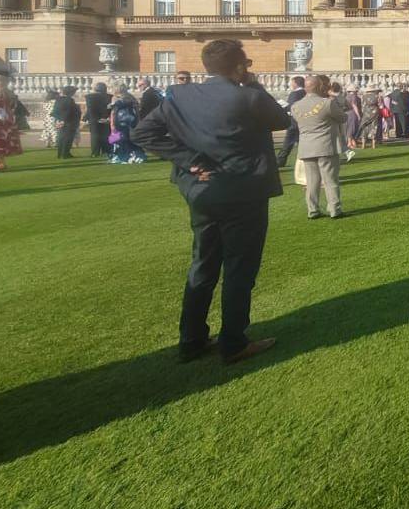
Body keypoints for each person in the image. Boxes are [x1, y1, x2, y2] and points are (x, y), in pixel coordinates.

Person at [132, 38, 289, 365]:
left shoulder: (180, 96)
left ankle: (191, 340)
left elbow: (143, 134)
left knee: (203, 264)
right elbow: (282, 120)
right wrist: (253, 83)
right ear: (239, 66)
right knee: (239, 269)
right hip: (243, 192)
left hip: (202, 192)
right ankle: (233, 343)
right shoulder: (247, 96)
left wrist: (190, 161)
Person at [291, 75, 346, 219]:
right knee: (330, 180)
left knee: (311, 182)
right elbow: (343, 118)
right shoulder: (326, 103)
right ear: (318, 87)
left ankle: (313, 209)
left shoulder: (295, 106)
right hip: (325, 145)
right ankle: (334, 209)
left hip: (306, 146)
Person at [108, 85, 146, 164]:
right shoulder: (131, 97)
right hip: (131, 120)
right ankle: (137, 155)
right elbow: (137, 110)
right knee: (131, 138)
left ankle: (121, 156)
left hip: (120, 120)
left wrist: (112, 124)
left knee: (119, 139)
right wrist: (138, 120)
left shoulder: (115, 98)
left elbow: (114, 112)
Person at [275, 76, 308, 166]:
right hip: (303, 121)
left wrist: (283, 106)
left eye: (292, 82)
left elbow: (291, 107)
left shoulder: (294, 94)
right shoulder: (305, 92)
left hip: (294, 122)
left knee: (287, 143)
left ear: (296, 83)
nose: (291, 84)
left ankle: (280, 161)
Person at [53, 85, 81, 158]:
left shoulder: (58, 99)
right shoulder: (70, 100)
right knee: (68, 138)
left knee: (61, 137)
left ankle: (60, 153)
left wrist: (58, 120)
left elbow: (55, 111)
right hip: (69, 121)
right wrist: (64, 120)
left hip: (60, 120)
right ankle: (65, 153)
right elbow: (69, 111)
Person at [85, 82, 112, 157]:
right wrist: (106, 118)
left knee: (95, 136)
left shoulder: (89, 97)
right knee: (105, 135)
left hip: (94, 119)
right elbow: (109, 109)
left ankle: (95, 152)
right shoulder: (109, 96)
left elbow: (90, 109)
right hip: (105, 118)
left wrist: (96, 118)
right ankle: (106, 151)